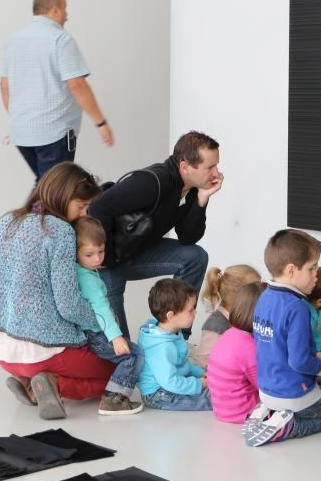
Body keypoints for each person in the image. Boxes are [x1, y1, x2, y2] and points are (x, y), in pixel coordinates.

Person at [0, 163, 115, 419]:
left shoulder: (6, 221)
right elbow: (68, 303)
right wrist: (102, 325)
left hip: (5, 352)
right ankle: (53, 383)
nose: (84, 214)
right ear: (63, 196)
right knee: (116, 373)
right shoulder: (60, 231)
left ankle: (28, 383)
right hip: (47, 352)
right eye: (81, 206)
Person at [87, 130, 223, 338]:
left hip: (136, 253)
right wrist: (107, 258)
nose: (216, 173)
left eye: (216, 165)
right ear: (185, 167)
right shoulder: (152, 182)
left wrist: (202, 199)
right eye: (210, 167)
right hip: (107, 259)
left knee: (195, 257)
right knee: (119, 344)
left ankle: (175, 339)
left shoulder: (193, 188)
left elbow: (188, 237)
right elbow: (98, 207)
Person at [241, 230, 321, 447]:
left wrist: (313, 354)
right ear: (291, 270)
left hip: (266, 389)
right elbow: (298, 361)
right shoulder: (297, 307)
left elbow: (278, 346)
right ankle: (290, 427)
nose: (316, 275)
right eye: (312, 268)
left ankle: (269, 413)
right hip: (293, 392)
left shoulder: (264, 297)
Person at [0, 0, 113, 180]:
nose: (67, 15)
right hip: (53, 131)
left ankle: (34, 209)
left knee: (45, 185)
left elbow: (4, 85)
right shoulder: (60, 39)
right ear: (54, 11)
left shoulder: (13, 41)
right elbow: (77, 84)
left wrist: (19, 118)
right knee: (54, 190)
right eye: (64, 9)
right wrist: (101, 123)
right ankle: (33, 211)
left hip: (22, 132)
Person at [72, 217, 144, 414]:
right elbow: (101, 308)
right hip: (99, 334)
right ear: (75, 253)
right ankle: (114, 398)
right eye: (89, 254)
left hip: (95, 332)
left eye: (101, 252)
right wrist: (115, 336)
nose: (97, 259)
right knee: (134, 355)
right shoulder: (89, 280)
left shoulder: (82, 271)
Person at [137, 279, 211, 411]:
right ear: (171, 316)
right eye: (190, 310)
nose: (195, 313)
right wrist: (199, 384)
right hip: (158, 393)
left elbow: (182, 363)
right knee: (207, 399)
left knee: (210, 388)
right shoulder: (162, 347)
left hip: (170, 382)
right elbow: (170, 381)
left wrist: (201, 373)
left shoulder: (173, 331)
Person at [206, 281, 265, 423]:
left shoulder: (229, 333)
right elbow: (265, 388)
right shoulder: (249, 346)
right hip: (245, 412)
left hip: (222, 410)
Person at [191, 264, 263, 368]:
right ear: (239, 296)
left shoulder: (248, 316)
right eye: (255, 289)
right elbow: (202, 363)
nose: (262, 292)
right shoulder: (216, 325)